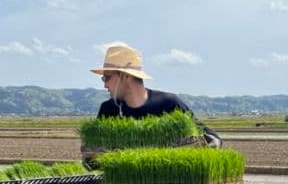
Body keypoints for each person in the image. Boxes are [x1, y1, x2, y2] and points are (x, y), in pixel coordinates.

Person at [91, 43, 221, 146]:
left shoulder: (169, 103)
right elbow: (95, 154)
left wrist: (213, 145)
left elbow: (210, 136)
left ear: (126, 76)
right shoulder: (108, 110)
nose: (105, 84)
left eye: (107, 78)